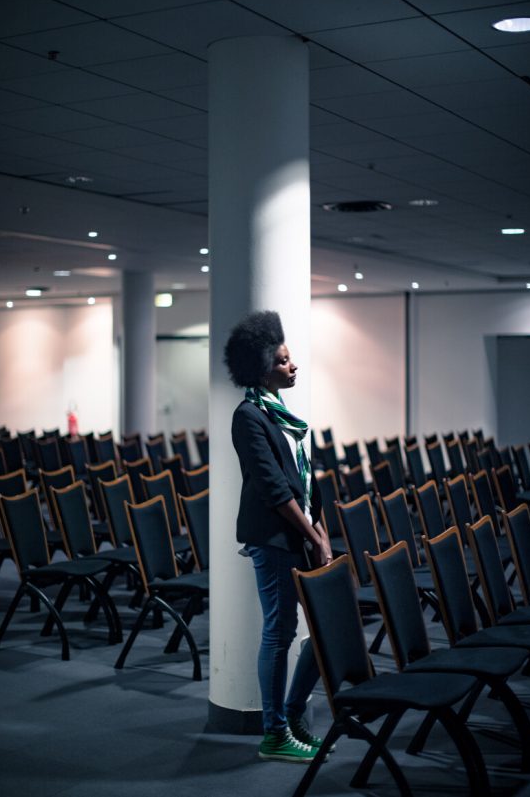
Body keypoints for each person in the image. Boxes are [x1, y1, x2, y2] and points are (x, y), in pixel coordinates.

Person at [224, 310, 332, 763]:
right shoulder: (248, 416)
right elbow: (274, 489)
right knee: (280, 632)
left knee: (324, 627)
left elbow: (305, 482)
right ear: (263, 366)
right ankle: (274, 732)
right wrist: (316, 537)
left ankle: (290, 713)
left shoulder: (280, 412)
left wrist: (322, 529)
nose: (293, 366)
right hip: (274, 540)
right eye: (285, 361)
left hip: (302, 536)